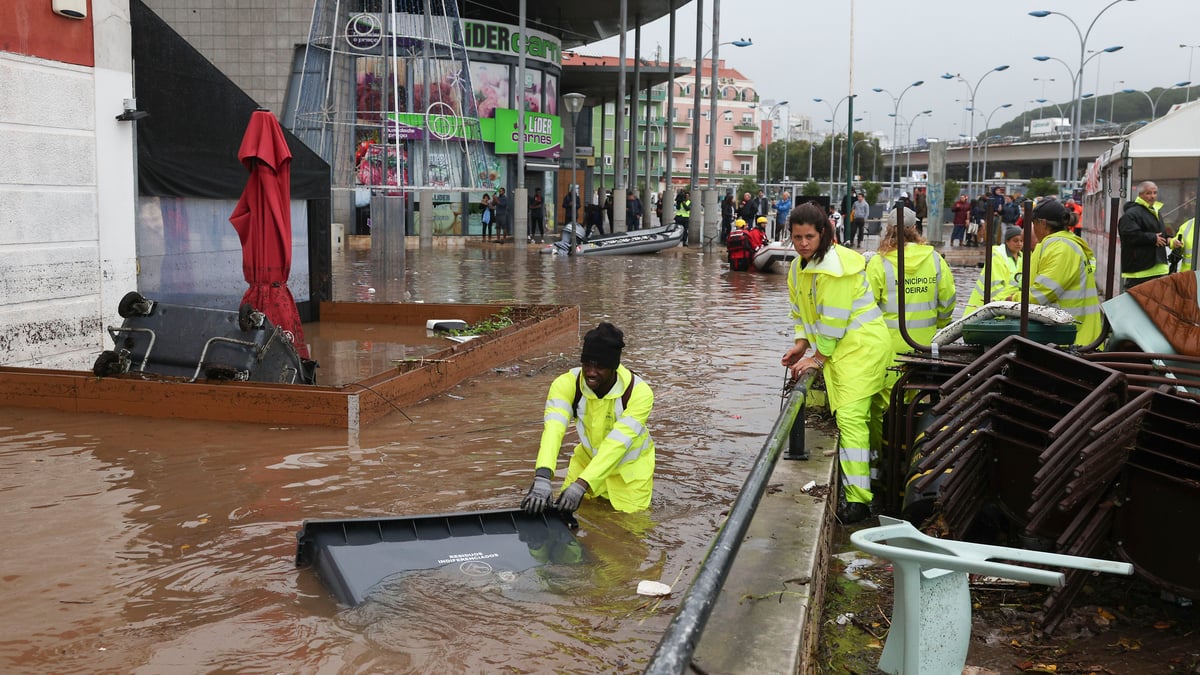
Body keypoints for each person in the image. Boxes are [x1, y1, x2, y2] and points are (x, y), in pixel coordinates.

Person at [781, 202, 892, 524]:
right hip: (845, 349)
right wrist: (801, 345)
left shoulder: (835, 268)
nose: (803, 243)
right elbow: (801, 311)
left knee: (851, 418)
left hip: (861, 348)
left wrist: (817, 357)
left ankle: (858, 502)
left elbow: (834, 321)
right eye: (797, 237)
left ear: (824, 234)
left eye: (809, 237)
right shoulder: (798, 268)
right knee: (867, 417)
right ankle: (873, 478)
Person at [520, 322, 655, 514]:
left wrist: (581, 485)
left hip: (629, 473)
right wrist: (542, 477)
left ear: (614, 367)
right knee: (570, 518)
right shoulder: (566, 385)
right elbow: (553, 431)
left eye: (600, 367)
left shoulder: (639, 393)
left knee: (631, 529)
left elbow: (617, 444)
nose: (591, 372)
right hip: (587, 462)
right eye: (587, 364)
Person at [865, 206, 956, 462]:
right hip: (924, 350)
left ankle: (881, 461)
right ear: (915, 229)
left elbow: (866, 307)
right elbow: (948, 300)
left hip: (887, 354)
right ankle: (916, 460)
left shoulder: (878, 263)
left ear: (887, 231)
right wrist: (939, 323)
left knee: (883, 409)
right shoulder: (935, 259)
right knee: (920, 406)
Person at [1011, 198, 1103, 346]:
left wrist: (1013, 301)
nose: (1032, 230)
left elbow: (1044, 291)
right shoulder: (1064, 243)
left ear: (1043, 223)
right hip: (1073, 332)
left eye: (1033, 224)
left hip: (1073, 337)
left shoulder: (1060, 248)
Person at [1118, 180, 1181, 291]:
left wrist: (1170, 241)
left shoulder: (1155, 211)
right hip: (1139, 271)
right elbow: (1128, 235)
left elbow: (1160, 235)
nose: (1152, 196)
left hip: (1159, 268)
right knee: (1137, 306)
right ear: (1140, 195)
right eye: (1148, 193)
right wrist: (1153, 238)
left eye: (1154, 193)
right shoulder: (1132, 214)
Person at [964, 225, 1025, 316]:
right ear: (1007, 241)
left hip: (1007, 306)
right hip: (986, 309)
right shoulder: (997, 258)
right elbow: (996, 287)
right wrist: (1003, 301)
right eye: (1015, 241)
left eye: (1021, 241)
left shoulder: (1023, 258)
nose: (1019, 244)